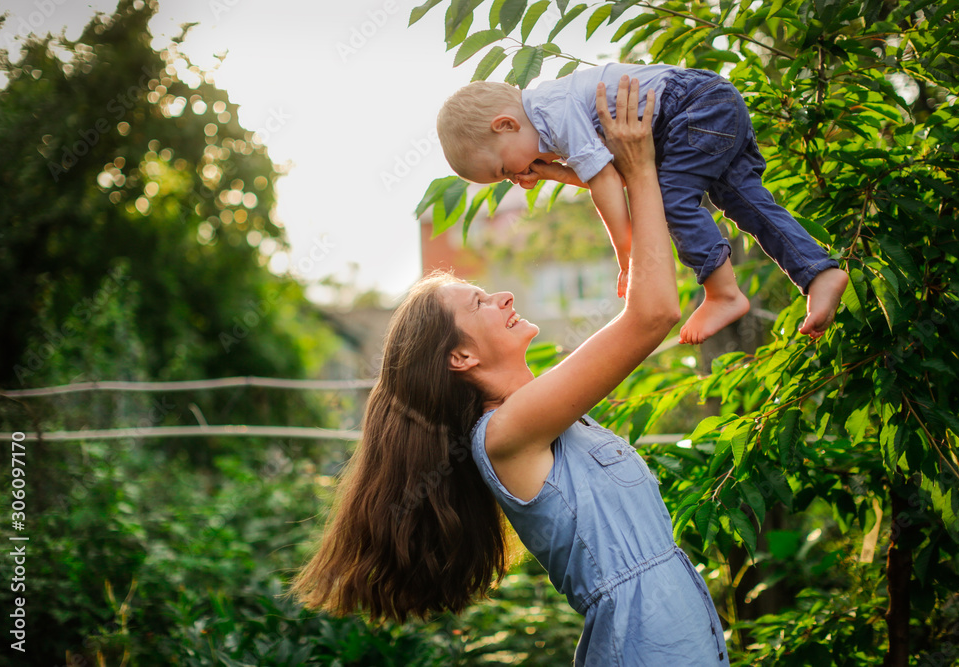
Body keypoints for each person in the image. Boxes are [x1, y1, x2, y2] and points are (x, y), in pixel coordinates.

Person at [290, 78, 729, 666]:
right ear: (461, 358)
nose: (500, 296)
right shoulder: (506, 434)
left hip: (674, 636)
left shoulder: (550, 420)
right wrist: (641, 166)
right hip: (645, 647)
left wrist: (572, 164)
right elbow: (654, 312)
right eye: (477, 304)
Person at [436, 63, 849, 343]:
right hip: (712, 103)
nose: (515, 176)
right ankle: (818, 273)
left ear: (505, 125)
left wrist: (626, 251)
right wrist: (555, 172)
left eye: (504, 169)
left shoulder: (552, 112)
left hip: (692, 108)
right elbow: (611, 173)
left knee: (668, 201)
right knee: (748, 203)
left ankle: (723, 293)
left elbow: (605, 182)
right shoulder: (549, 116)